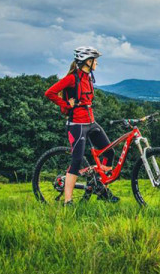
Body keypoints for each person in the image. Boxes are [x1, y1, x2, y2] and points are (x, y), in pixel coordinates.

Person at [44, 46, 119, 205]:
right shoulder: (72, 78)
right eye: (95, 60)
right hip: (77, 124)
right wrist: (65, 104)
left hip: (91, 122)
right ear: (88, 61)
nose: (97, 63)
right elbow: (49, 92)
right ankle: (68, 201)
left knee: (109, 152)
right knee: (77, 160)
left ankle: (101, 188)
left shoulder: (88, 77)